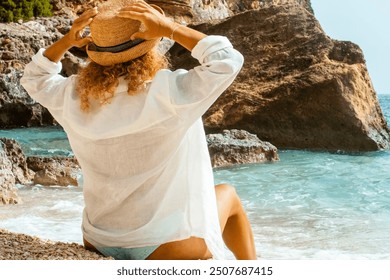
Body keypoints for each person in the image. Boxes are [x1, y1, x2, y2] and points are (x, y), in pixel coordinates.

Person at [21, 0, 256, 260]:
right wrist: (171, 28)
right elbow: (227, 59)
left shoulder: (73, 96)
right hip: (166, 246)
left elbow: (35, 78)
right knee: (229, 195)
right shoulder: (169, 93)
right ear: (149, 49)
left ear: (95, 53)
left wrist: (66, 41)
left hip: (99, 240)